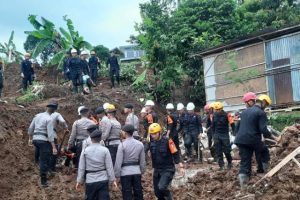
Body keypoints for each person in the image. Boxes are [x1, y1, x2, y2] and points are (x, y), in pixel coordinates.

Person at [234, 94, 280, 189]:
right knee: (264, 151)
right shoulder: (261, 113)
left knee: (245, 161)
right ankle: (263, 172)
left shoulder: (244, 112)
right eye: (266, 105)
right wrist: (275, 138)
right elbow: (263, 129)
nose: (265, 107)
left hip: (240, 140)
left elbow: (238, 127)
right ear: (263, 102)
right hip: (252, 138)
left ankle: (244, 185)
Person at [76, 129, 117, 200]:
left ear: (91, 139)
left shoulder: (85, 151)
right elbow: (109, 167)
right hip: (103, 179)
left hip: (90, 180)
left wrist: (79, 181)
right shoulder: (105, 150)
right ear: (100, 139)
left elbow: (81, 167)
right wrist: (113, 180)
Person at [149, 123, 184, 200]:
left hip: (167, 169)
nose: (153, 135)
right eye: (151, 134)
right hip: (157, 170)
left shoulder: (168, 141)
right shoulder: (151, 143)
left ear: (159, 132)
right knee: (157, 192)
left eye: (155, 134)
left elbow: (175, 153)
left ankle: (169, 197)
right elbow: (153, 158)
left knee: (162, 187)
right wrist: (153, 169)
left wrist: (180, 166)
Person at [28, 101, 58, 187]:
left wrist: (30, 139)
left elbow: (30, 128)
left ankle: (37, 162)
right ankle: (44, 182)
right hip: (43, 140)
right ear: (54, 110)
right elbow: (50, 134)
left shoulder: (37, 116)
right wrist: (54, 147)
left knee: (39, 150)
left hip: (35, 139)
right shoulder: (49, 119)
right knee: (44, 161)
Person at [114, 124, 146, 200]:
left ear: (125, 133)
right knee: (138, 192)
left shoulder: (122, 145)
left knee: (126, 193)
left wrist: (117, 174)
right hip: (136, 171)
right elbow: (142, 161)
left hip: (125, 173)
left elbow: (118, 162)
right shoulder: (140, 144)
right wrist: (142, 171)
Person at [46, 100, 69, 173]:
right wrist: (66, 128)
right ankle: (51, 169)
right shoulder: (57, 114)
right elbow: (62, 121)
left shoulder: (43, 114)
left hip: (43, 135)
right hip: (52, 134)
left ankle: (45, 167)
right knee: (54, 152)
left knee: (46, 152)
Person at [211, 102, 232, 170]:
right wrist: (213, 136)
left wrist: (235, 133)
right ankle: (221, 166)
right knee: (218, 151)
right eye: (215, 110)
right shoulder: (214, 116)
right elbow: (213, 126)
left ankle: (229, 162)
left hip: (225, 135)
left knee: (227, 151)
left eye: (217, 110)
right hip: (217, 135)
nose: (215, 111)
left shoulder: (227, 115)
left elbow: (232, 124)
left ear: (221, 109)